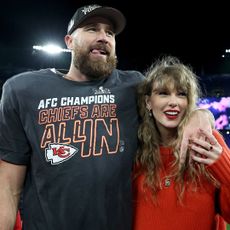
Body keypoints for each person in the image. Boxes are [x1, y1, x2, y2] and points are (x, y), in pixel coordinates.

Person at [0, 4, 214, 230]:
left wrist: (201, 114)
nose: (103, 37)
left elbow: (174, 104)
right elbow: (7, 186)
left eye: (110, 32)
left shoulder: (133, 86)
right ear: (69, 41)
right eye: (92, 29)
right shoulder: (23, 90)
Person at [132, 56, 230, 230]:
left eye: (181, 94)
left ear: (189, 102)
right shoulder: (135, 148)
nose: (173, 102)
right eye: (163, 93)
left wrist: (222, 165)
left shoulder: (208, 141)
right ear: (148, 102)